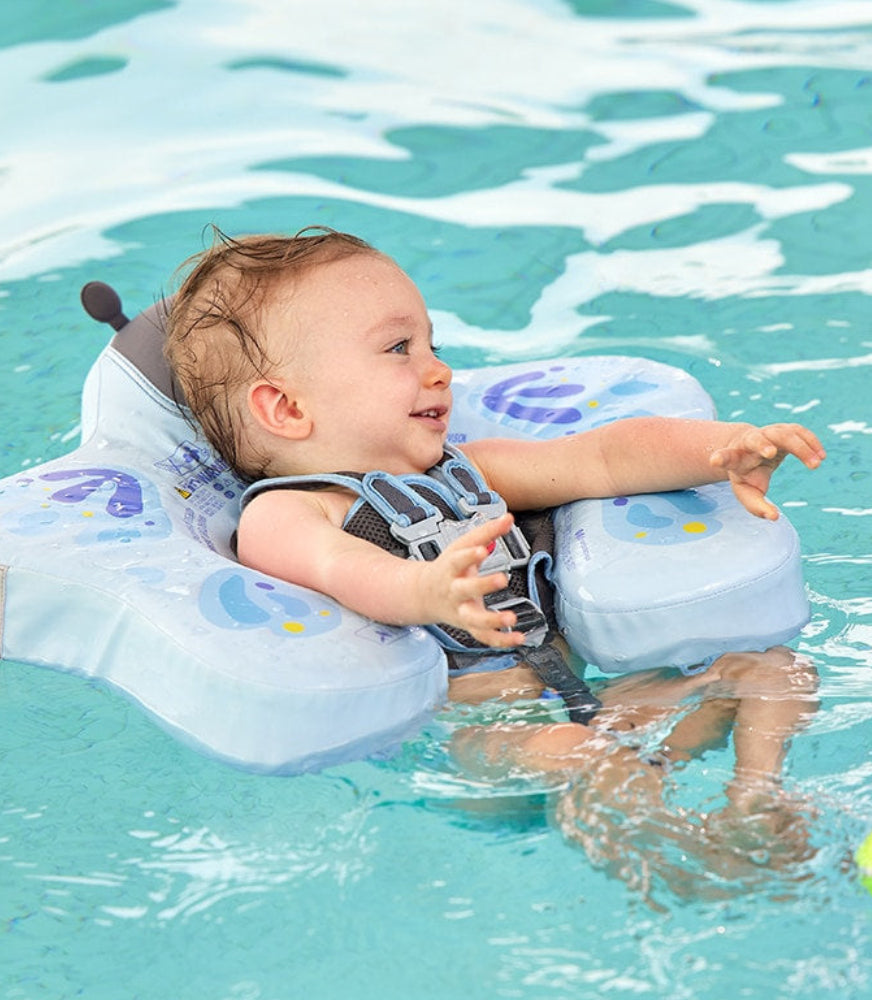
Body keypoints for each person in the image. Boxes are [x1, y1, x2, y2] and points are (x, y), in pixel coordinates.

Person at [165, 228, 824, 896]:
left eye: (432, 345)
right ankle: (695, 873)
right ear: (286, 407)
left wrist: (724, 448)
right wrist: (424, 588)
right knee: (584, 757)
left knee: (768, 669)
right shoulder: (288, 513)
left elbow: (601, 456)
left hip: (585, 704)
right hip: (483, 742)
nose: (438, 369)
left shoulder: (468, 471)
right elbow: (339, 569)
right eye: (399, 349)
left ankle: (756, 804)